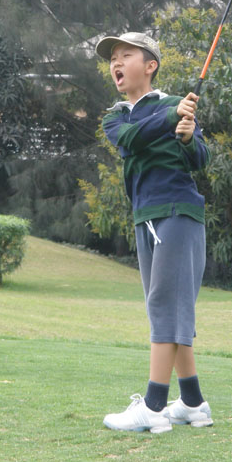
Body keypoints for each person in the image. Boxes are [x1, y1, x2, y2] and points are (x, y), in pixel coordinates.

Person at [95, 32, 213, 433]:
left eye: (125, 55)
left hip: (177, 211)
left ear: (150, 66)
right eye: (112, 58)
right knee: (166, 308)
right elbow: (131, 140)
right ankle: (193, 403)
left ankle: (154, 406)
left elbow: (200, 158)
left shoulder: (174, 105)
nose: (116, 63)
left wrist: (187, 138)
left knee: (166, 307)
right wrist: (170, 119)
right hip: (145, 216)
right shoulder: (115, 118)